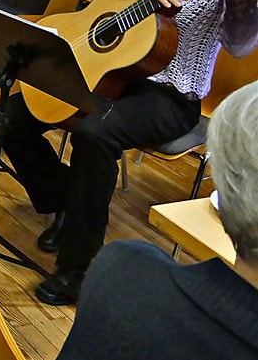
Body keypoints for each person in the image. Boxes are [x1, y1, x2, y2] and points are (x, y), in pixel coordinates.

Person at [0, 0, 258, 305]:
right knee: (8, 116)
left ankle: (78, 268)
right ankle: (66, 202)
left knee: (95, 133)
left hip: (170, 93)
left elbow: (239, 43)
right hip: (107, 73)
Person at [56, 81, 258, 359]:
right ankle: (70, 203)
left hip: (172, 99)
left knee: (95, 131)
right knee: (22, 112)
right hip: (122, 82)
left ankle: (73, 214)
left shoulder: (120, 267)